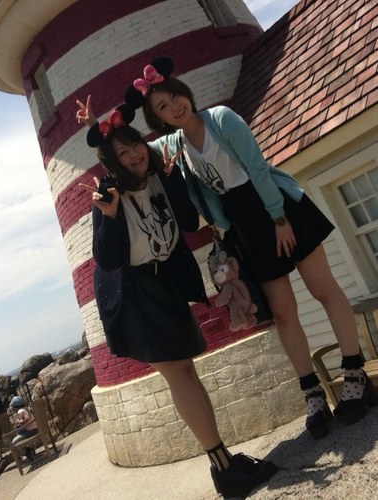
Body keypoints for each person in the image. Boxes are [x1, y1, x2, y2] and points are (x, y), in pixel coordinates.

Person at [91, 55, 378, 439]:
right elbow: (131, 152)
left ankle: (355, 373)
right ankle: (312, 393)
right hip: (245, 225)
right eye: (161, 107)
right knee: (283, 311)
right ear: (158, 119)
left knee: (322, 287)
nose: (174, 107)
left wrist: (278, 219)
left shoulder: (222, 119)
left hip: (277, 206)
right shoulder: (174, 143)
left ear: (184, 92)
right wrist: (96, 131)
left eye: (174, 96)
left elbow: (257, 168)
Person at [76, 102, 278, 498]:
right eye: (123, 153)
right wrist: (110, 216)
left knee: (188, 371)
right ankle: (223, 469)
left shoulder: (158, 176)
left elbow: (187, 223)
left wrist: (172, 182)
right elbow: (108, 259)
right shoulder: (108, 194)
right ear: (112, 163)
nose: (134, 155)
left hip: (164, 284)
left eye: (135, 145)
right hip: (136, 295)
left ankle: (224, 462)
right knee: (180, 375)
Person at [9, 396, 37, 462]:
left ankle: (27, 452)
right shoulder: (26, 409)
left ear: (15, 406)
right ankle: (30, 450)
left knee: (14, 441)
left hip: (30, 431)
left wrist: (19, 422)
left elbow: (27, 418)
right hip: (35, 429)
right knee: (19, 437)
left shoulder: (20, 411)